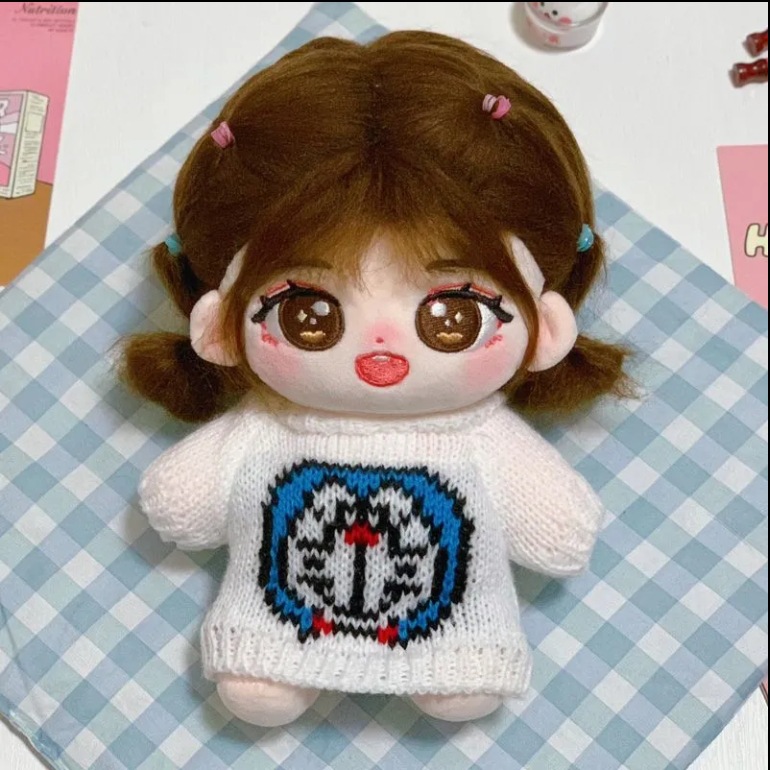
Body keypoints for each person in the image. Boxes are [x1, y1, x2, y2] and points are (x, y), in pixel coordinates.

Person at [121, 30, 629, 727]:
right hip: (272, 635)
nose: (380, 348)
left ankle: (450, 666)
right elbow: (180, 508)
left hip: (453, 640)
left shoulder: (483, 440)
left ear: (545, 328)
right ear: (219, 326)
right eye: (308, 313)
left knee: (460, 690)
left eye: (452, 315)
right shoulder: (263, 429)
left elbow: (560, 536)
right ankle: (280, 670)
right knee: (258, 693)